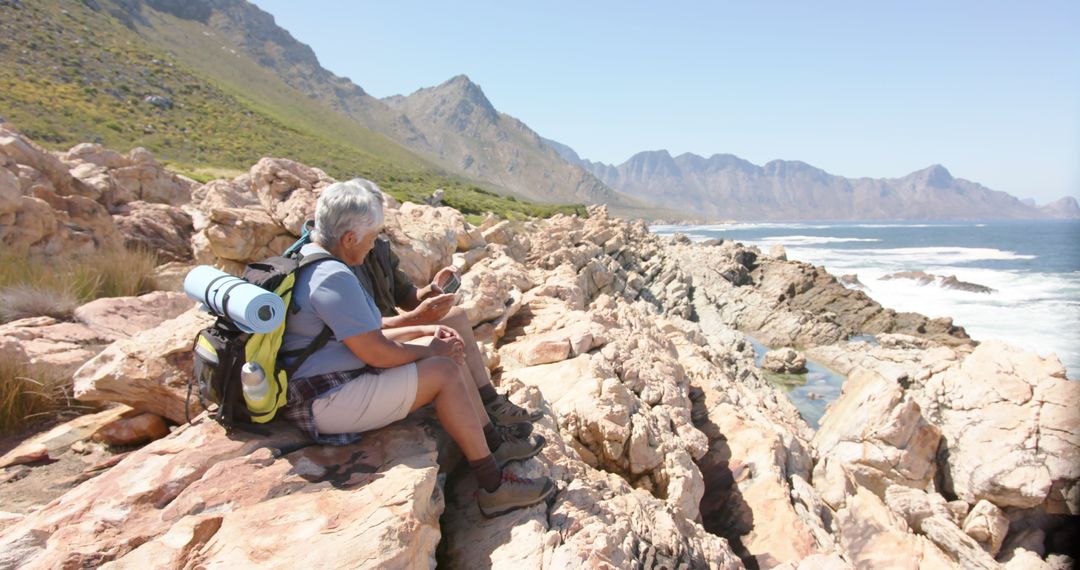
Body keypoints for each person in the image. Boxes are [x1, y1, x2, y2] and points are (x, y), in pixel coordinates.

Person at [280, 178, 554, 517]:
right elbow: (375, 351)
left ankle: (494, 447)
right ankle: (494, 485)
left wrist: (427, 329)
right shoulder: (332, 276)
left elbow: (364, 329)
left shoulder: (308, 254)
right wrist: (431, 351)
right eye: (370, 237)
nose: (372, 245)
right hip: (323, 398)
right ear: (349, 238)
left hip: (323, 382)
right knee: (444, 371)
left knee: (441, 349)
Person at [354, 226, 542, 428]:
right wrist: (415, 319)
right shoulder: (342, 259)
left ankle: (490, 402)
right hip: (371, 339)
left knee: (457, 317)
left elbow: (407, 296)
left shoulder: (378, 247)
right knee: (446, 341)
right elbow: (363, 328)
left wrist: (432, 289)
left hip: (393, 326)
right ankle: (485, 430)